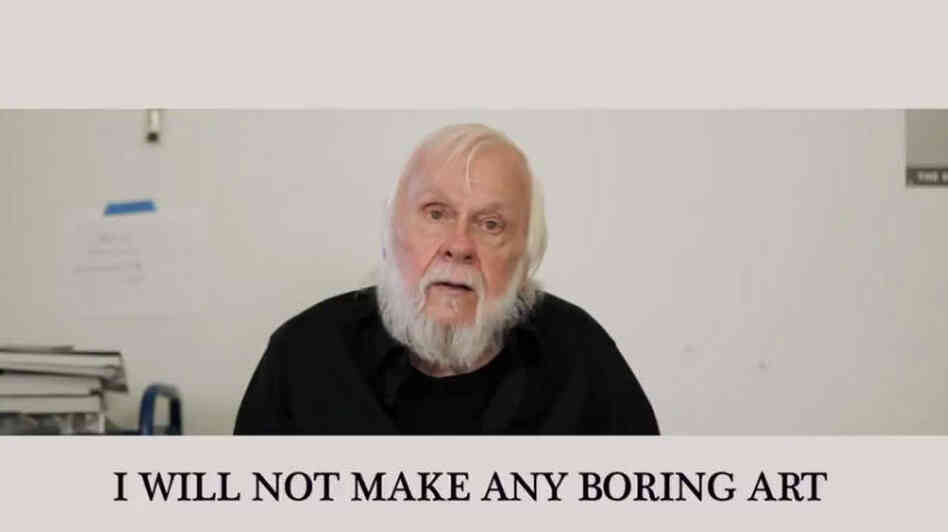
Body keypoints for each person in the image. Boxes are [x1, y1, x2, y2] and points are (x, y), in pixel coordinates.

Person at [234, 123, 659, 434]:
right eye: (436, 214)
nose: (459, 246)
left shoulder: (582, 359)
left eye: (491, 224)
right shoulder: (305, 355)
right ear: (391, 231)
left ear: (528, 255)